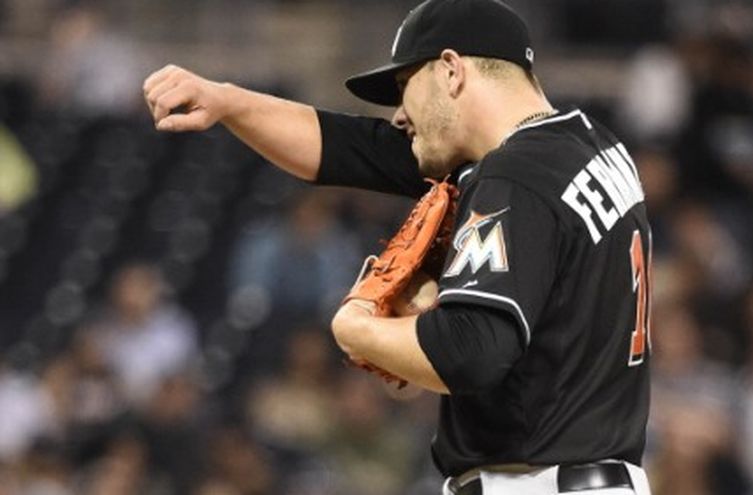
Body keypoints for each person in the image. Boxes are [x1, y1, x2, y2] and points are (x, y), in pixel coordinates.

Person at [143, 0, 653, 493]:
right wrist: (229, 102)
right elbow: (351, 149)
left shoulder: (512, 177)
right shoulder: (589, 145)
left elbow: (469, 352)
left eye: (406, 85)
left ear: (451, 71)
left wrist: (356, 328)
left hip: (533, 483)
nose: (398, 116)